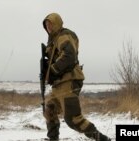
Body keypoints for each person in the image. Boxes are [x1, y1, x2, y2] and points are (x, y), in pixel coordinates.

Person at [42, 13, 111, 141]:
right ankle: (53, 139)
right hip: (59, 83)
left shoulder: (64, 35)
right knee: (49, 110)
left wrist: (51, 71)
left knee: (73, 119)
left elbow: (69, 56)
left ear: (56, 23)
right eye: (46, 25)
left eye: (50, 23)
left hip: (69, 80)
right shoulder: (53, 40)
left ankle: (102, 139)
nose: (48, 27)